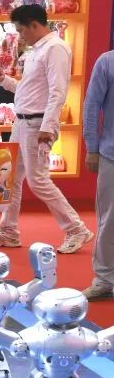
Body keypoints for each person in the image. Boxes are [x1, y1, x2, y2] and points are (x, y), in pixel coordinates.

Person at [0, 4, 92, 254]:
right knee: (9, 178)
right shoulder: (37, 51)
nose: (20, 36)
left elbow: (58, 91)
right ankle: (8, 230)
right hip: (22, 122)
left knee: (38, 181)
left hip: (37, 124)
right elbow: (27, 91)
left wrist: (48, 125)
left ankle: (76, 228)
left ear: (34, 25)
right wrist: (3, 80)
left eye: (21, 30)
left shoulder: (56, 48)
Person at [82, 49, 114, 299]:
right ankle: (104, 279)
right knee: (109, 221)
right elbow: (92, 106)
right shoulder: (107, 62)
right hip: (111, 153)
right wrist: (92, 147)